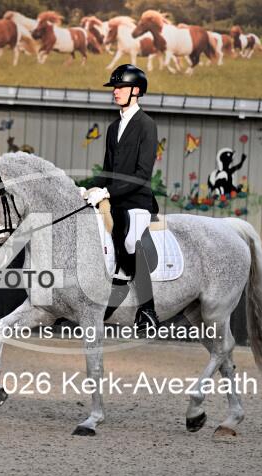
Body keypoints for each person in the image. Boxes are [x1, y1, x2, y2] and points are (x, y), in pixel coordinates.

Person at [83, 64, 160, 333]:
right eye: (114, 88)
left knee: (130, 241)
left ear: (135, 91)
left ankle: (148, 310)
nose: (115, 92)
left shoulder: (147, 125)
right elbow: (107, 171)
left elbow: (142, 174)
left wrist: (107, 192)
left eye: (121, 87)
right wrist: (86, 189)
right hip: (115, 202)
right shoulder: (113, 127)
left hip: (137, 201)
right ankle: (110, 291)